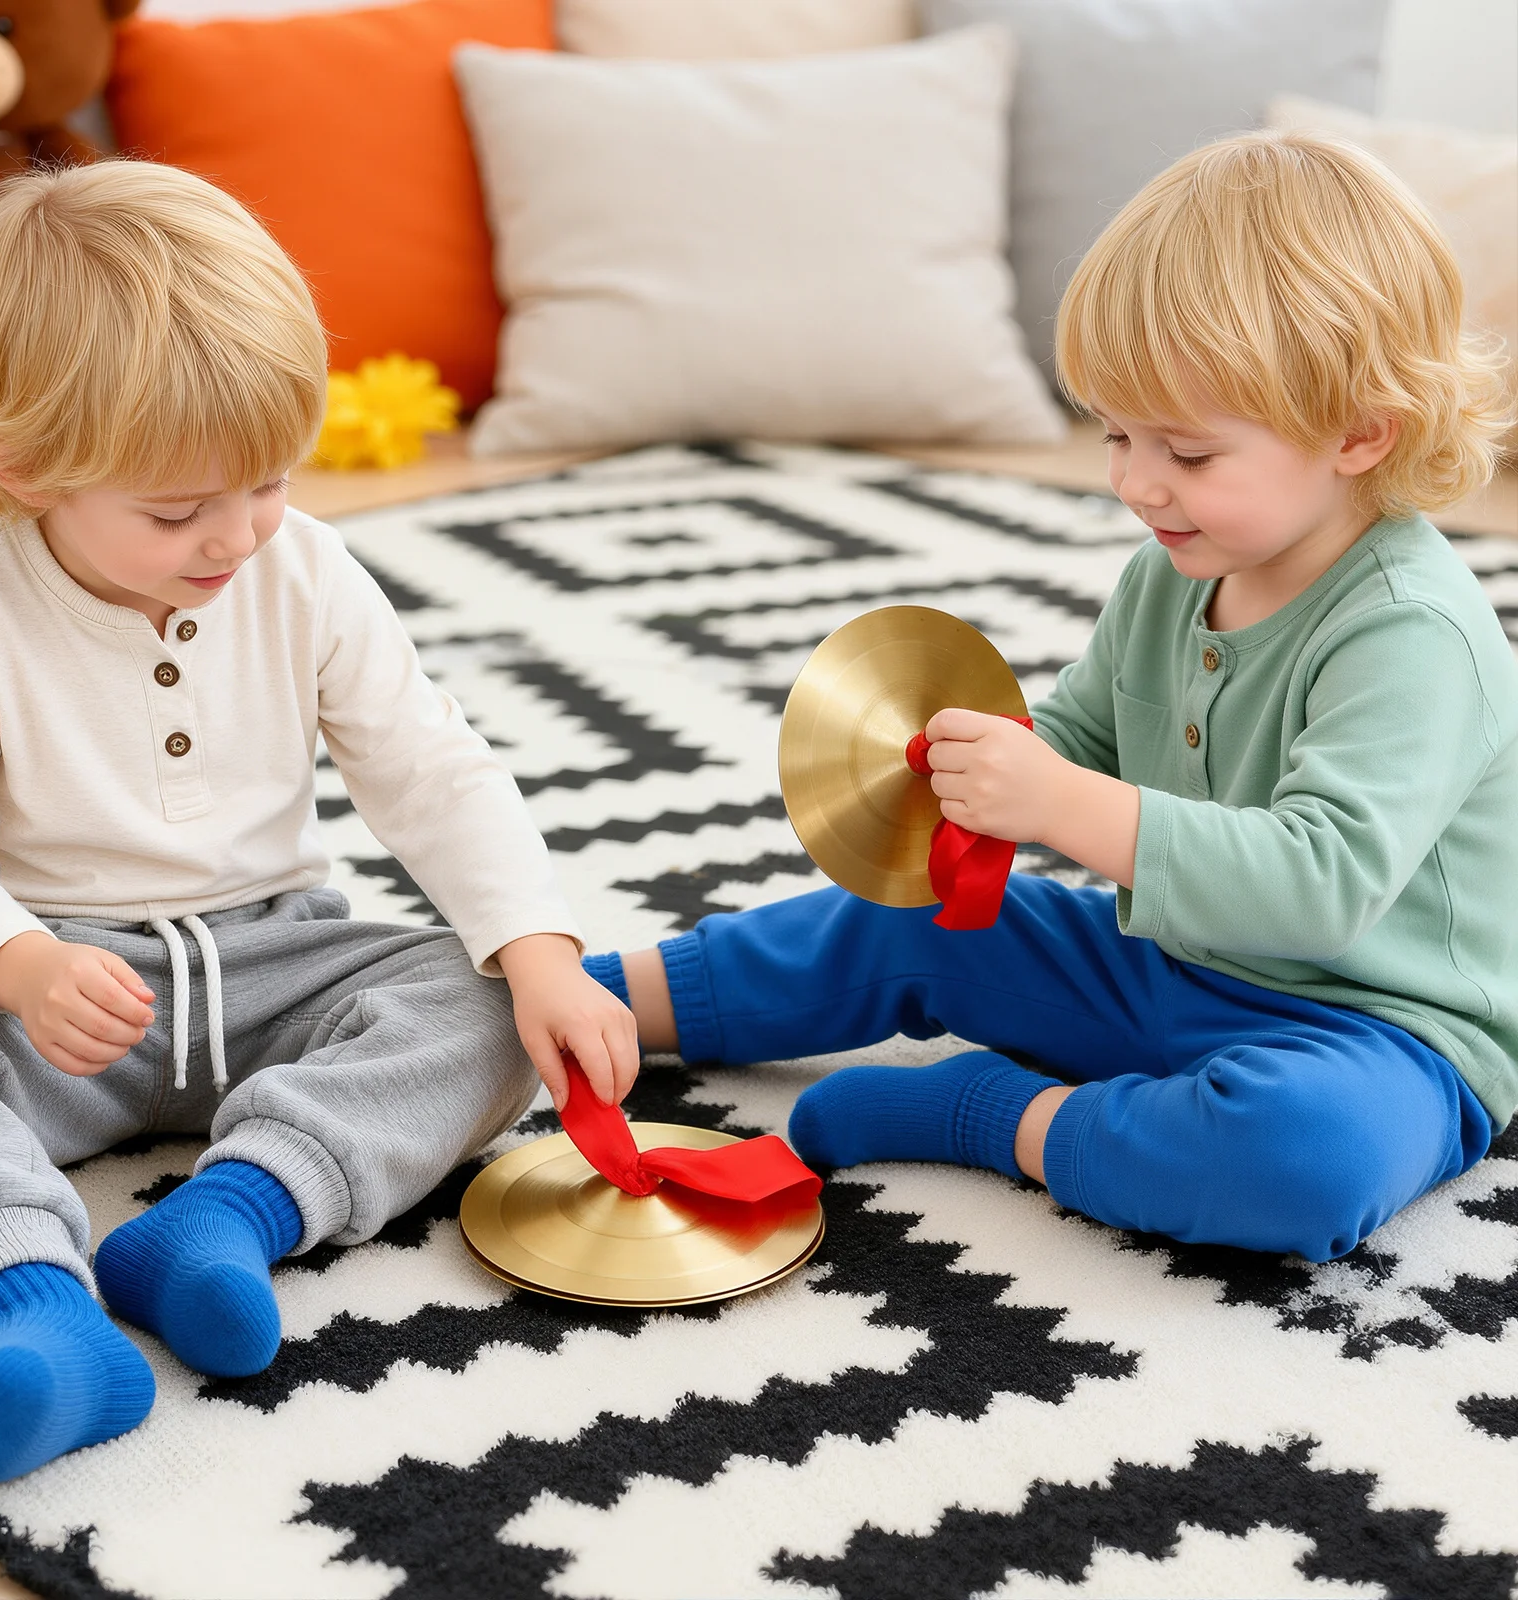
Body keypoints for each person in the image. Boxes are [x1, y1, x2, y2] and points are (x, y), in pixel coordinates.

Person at [586, 131, 1516, 1270]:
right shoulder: (1179, 568)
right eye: (1117, 434)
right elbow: (1084, 739)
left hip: (1378, 1032)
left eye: (1185, 449)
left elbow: (1317, 887)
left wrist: (1057, 800)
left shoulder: (1409, 631)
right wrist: (957, 769)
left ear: (1360, 431)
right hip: (1168, 960)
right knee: (919, 915)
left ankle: (995, 1116)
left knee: (1300, 1159)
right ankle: (600, 1004)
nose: (1134, 483)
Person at [0, 161, 637, 1484]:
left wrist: (537, 949)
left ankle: (230, 1217)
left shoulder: (302, 565)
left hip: (268, 963)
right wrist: (18, 966)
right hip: (46, 1006)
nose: (238, 535)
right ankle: (32, 1307)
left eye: (267, 483)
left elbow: (429, 764)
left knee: (485, 1004)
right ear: (16, 469)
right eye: (178, 510)